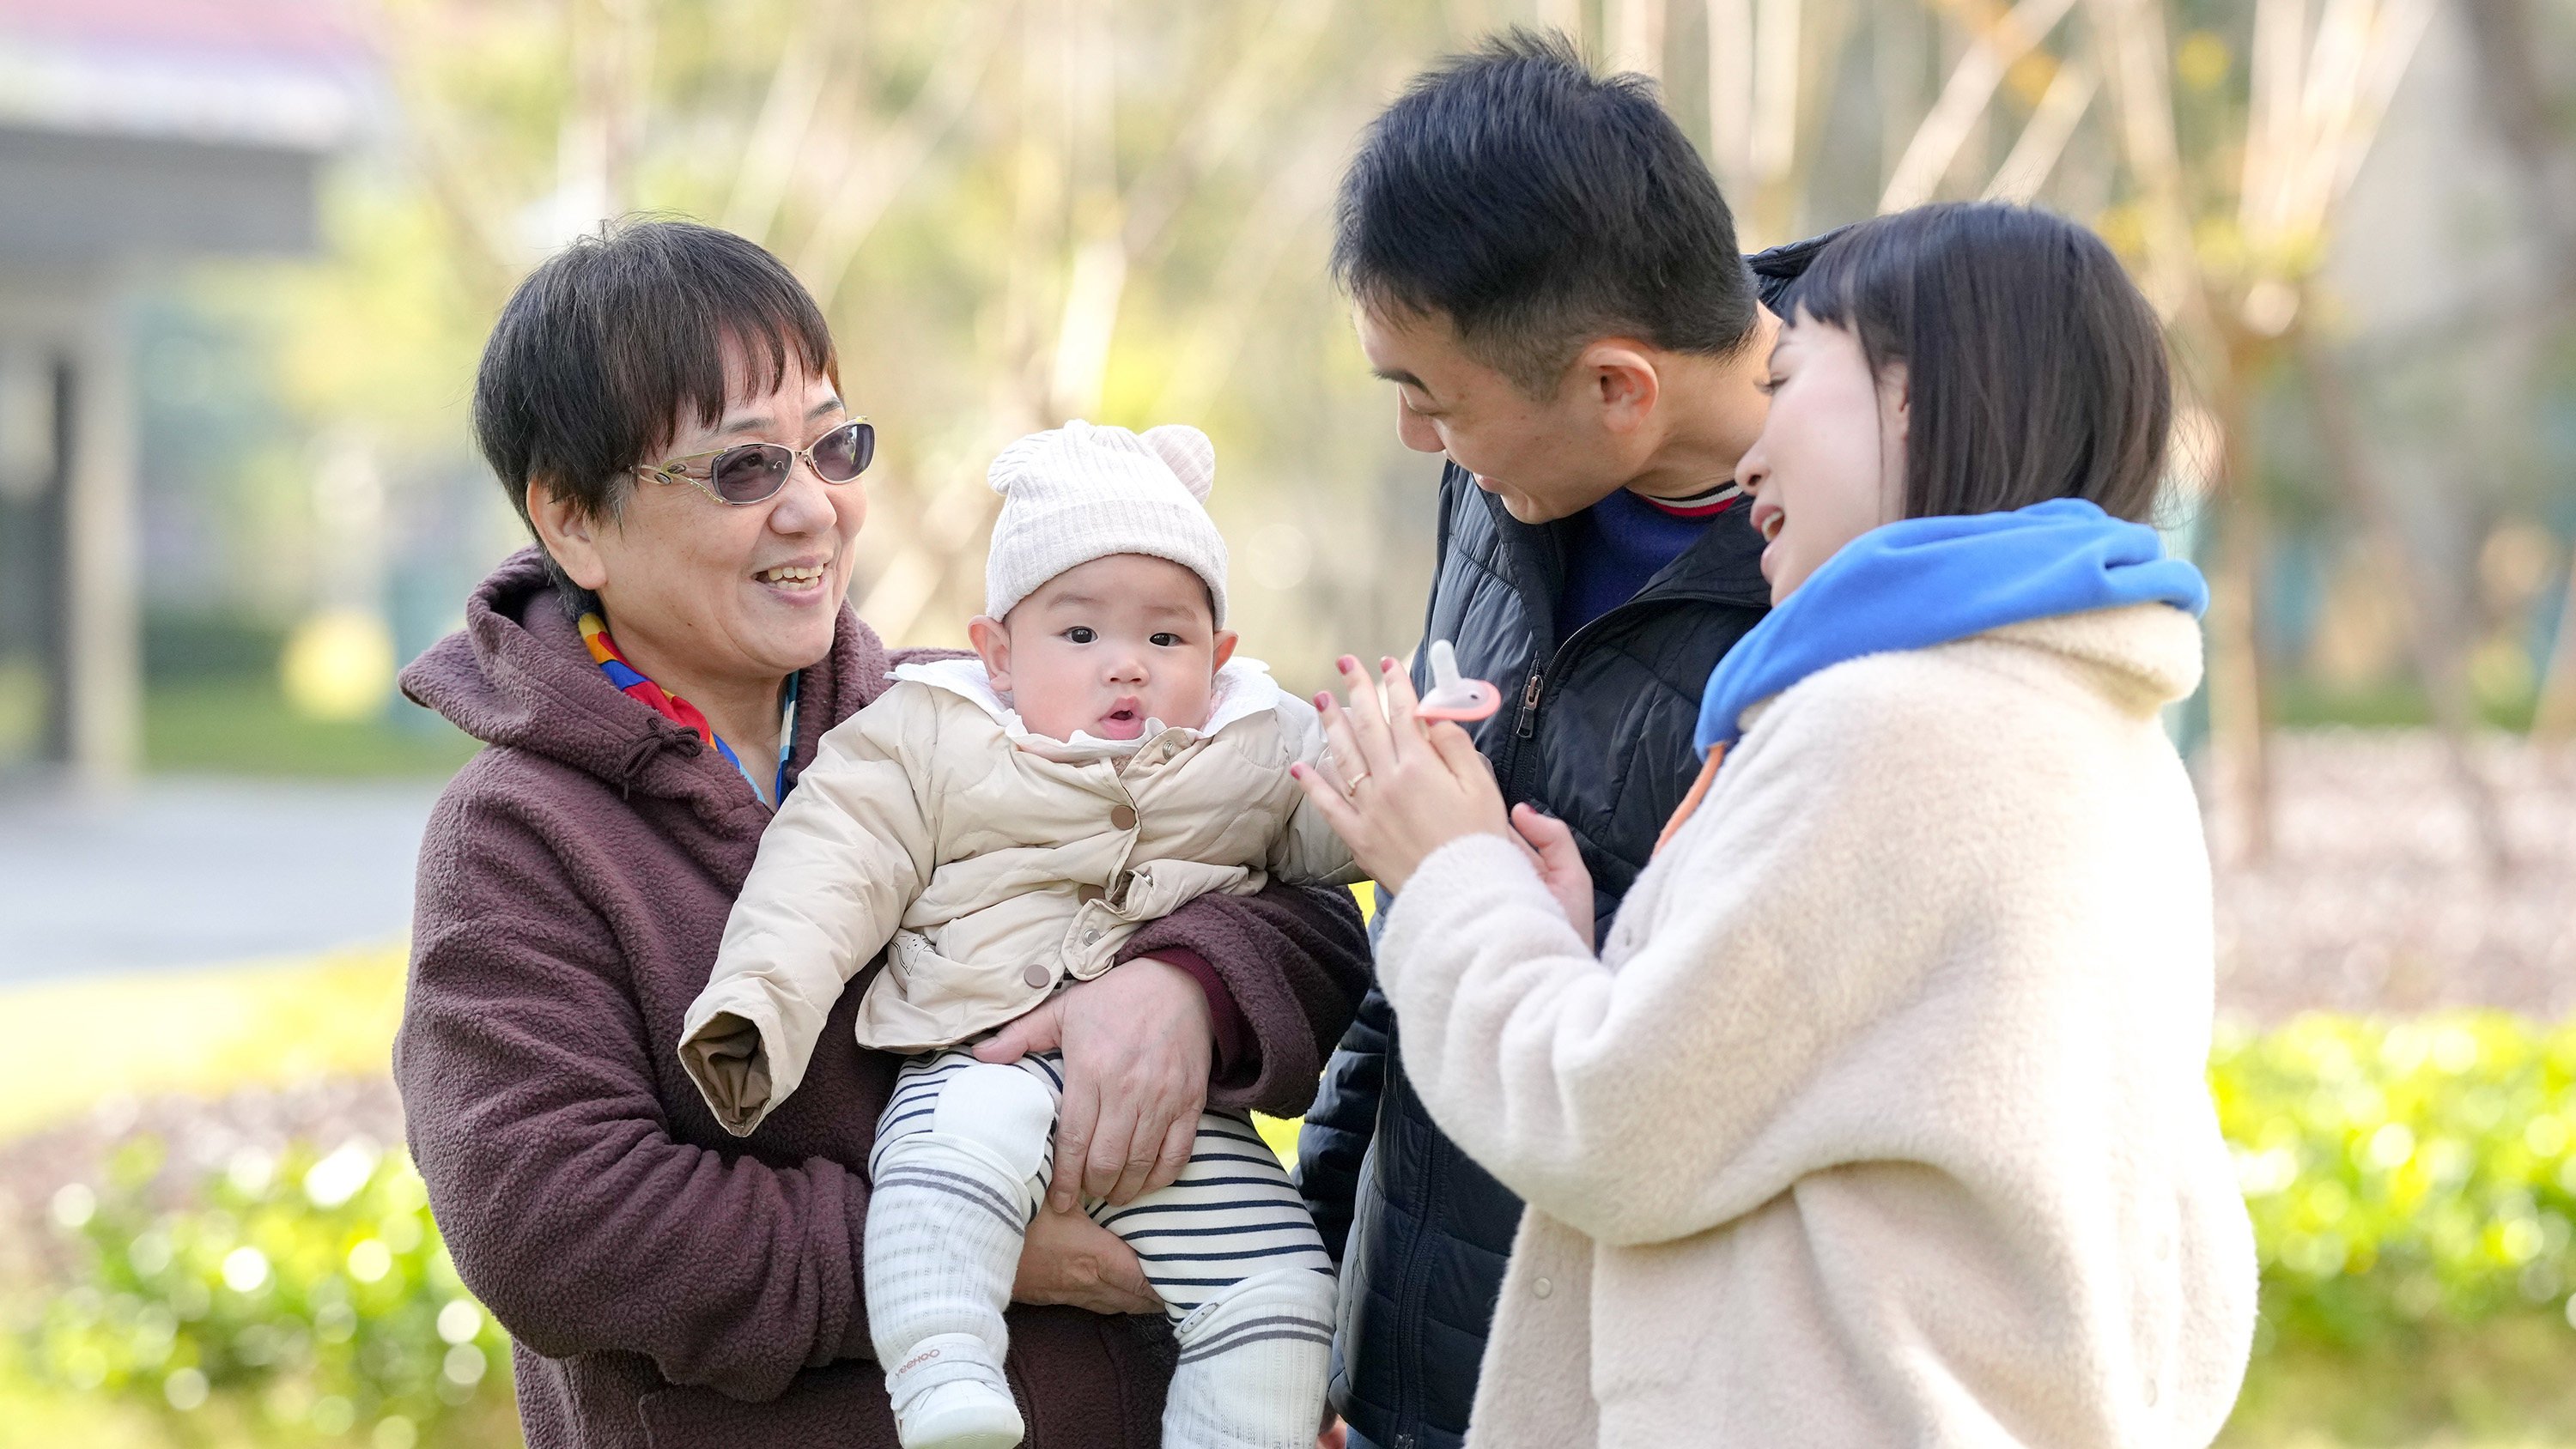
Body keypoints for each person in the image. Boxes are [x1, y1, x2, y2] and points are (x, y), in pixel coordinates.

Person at [1291, 202, 2260, 1446]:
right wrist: (1592, 947)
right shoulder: (2097, 726)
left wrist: (1451, 874)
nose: (1751, 457)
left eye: (1791, 376)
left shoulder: (1890, 723)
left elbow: (1614, 1123)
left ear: (1911, 400)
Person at [393, 220, 1370, 1449]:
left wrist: (1187, 987)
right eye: (743, 469)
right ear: (575, 517)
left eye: (832, 445)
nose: (813, 511)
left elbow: (1301, 901)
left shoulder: (974, 710)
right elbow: (556, 1227)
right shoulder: (519, 839)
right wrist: (965, 1251)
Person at [1291, 33, 1829, 1449]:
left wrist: (1475, 873)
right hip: (1412, 1372)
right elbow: (1420, 932)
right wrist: (1326, 1295)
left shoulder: (1859, 584)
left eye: (1437, 399)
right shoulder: (1514, 476)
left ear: (1618, 388)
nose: (1418, 437)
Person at [677, 420, 1358, 1449]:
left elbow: (1337, 837)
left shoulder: (1251, 737)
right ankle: (946, 1376)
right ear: (995, 652)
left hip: (1165, 1125)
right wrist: (756, 1011)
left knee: (1282, 1280)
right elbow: (827, 869)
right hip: (977, 1053)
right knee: (949, 1176)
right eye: (1079, 636)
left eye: (1165, 639)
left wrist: (1402, 763)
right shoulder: (931, 731)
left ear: (1217, 656)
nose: (1125, 667)